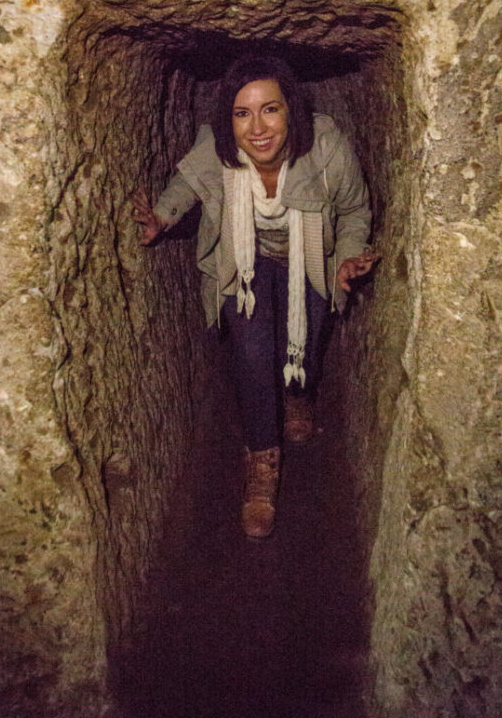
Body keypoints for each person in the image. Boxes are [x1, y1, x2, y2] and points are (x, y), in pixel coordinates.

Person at [132, 55, 376, 539]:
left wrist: (347, 257)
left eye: (270, 109)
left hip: (309, 256)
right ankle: (262, 466)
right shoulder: (216, 148)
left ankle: (297, 393)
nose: (257, 127)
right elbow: (188, 182)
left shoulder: (325, 148)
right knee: (251, 354)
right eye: (242, 113)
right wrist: (161, 217)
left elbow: (354, 210)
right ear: (229, 119)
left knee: (303, 345)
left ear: (292, 112)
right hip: (244, 262)